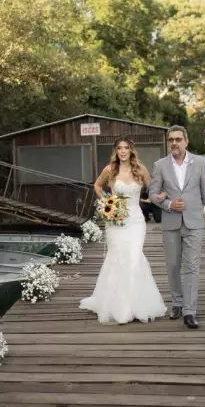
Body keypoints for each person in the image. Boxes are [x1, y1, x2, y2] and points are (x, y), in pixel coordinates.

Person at [79, 138, 166, 325]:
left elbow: (152, 190)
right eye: (120, 148)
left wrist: (162, 196)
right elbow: (97, 185)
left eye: (126, 148)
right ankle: (118, 307)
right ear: (116, 151)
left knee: (134, 259)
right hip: (116, 221)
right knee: (117, 259)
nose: (123, 151)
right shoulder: (110, 169)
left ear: (131, 150)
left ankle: (136, 305)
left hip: (135, 220)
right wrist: (106, 202)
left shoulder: (140, 169)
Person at [149, 125, 205, 329]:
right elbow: (153, 193)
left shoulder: (199, 163)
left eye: (178, 139)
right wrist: (168, 204)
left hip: (194, 222)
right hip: (171, 222)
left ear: (186, 141)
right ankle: (177, 303)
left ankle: (190, 311)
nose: (174, 143)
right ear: (167, 142)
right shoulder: (160, 165)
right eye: (171, 140)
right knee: (172, 266)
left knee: (192, 267)